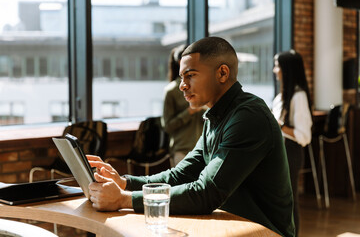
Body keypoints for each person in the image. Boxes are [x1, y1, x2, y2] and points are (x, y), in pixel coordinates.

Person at [87, 37, 295, 237]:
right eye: (181, 77)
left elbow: (206, 193)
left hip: (264, 233)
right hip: (233, 229)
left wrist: (124, 200)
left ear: (222, 73)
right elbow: (180, 175)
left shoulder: (249, 116)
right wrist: (124, 183)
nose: (182, 85)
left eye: (191, 75)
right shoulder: (214, 118)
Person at [272, 50, 312, 236]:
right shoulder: (281, 97)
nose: (274, 70)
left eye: (277, 65)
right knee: (278, 201)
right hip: (279, 152)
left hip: (291, 153)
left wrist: (277, 125)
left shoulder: (298, 97)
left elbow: (304, 136)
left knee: (290, 201)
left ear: (286, 69)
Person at [162, 44, 206, 166]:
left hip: (203, 150)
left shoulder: (203, 86)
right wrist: (189, 112)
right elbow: (167, 126)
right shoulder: (171, 91)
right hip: (181, 151)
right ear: (181, 62)